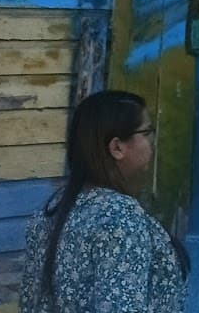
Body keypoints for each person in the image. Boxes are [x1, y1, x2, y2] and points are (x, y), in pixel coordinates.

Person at [18, 90, 187, 313]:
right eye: (147, 132)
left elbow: (30, 302)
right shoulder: (121, 219)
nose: (152, 142)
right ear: (117, 148)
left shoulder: (52, 210)